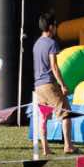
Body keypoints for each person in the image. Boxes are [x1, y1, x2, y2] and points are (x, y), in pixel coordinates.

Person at [30, 11, 73, 154]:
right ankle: (68, 146)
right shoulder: (52, 43)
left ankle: (45, 148)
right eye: (55, 25)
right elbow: (54, 66)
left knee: (44, 117)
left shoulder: (37, 44)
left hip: (38, 86)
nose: (56, 28)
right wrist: (62, 85)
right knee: (66, 113)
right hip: (49, 84)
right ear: (50, 27)